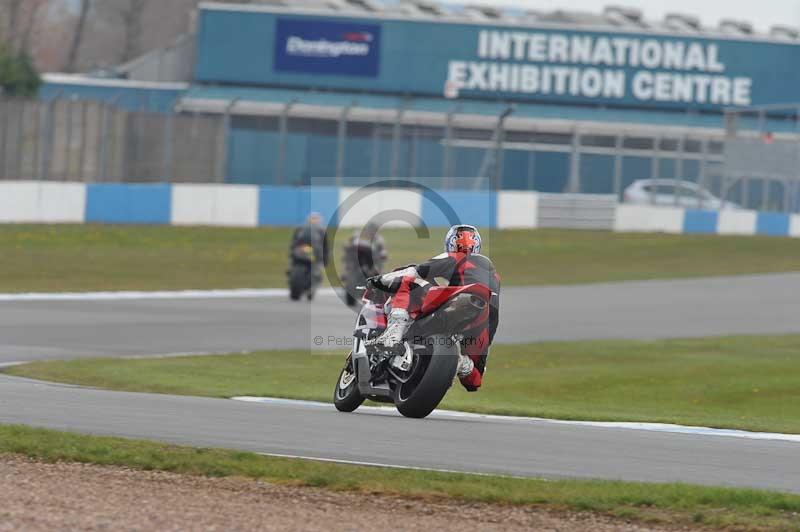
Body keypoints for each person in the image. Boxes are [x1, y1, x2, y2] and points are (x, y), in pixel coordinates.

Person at [369, 225, 500, 392]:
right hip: (485, 321)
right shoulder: (494, 274)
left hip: (462, 301)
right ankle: (460, 362)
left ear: (450, 243)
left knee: (409, 281)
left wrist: (377, 280)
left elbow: (415, 271)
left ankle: (393, 335)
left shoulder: (454, 257)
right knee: (474, 379)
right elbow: (472, 384)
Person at [289, 212, 330, 297]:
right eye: (313, 218)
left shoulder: (301, 228)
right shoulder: (321, 229)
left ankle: (311, 288)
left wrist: (325, 258)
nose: (314, 220)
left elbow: (293, 243)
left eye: (315, 218)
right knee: (317, 270)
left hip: (309, 253)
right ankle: (311, 288)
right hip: (308, 253)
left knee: (316, 270)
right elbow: (325, 247)